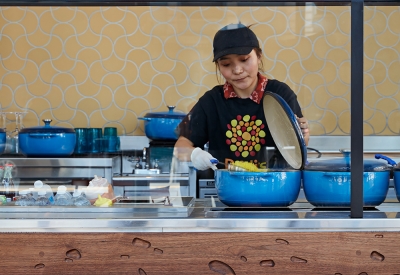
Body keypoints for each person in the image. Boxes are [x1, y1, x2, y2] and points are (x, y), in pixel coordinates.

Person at [174, 23, 309, 171]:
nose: (237, 70)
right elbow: (180, 146)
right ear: (219, 66)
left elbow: (297, 148)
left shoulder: (280, 94)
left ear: (258, 56)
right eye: (226, 64)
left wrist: (303, 135)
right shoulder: (211, 101)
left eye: (244, 60)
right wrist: (195, 154)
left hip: (274, 187)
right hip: (228, 188)